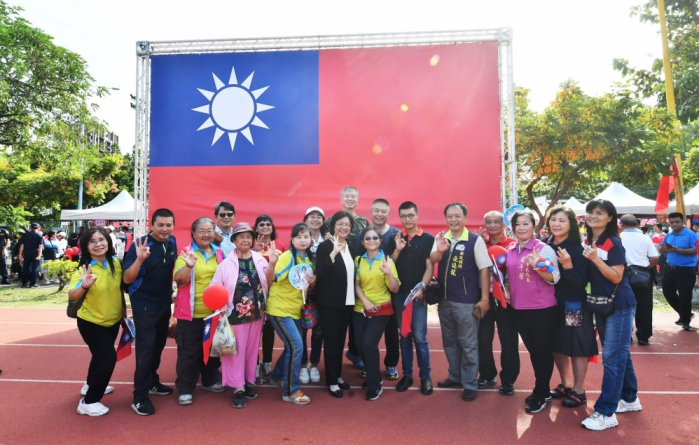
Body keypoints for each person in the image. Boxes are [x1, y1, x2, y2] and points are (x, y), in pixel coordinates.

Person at [580, 199, 640, 431]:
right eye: (590, 212)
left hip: (619, 305)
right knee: (619, 355)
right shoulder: (590, 241)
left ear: (610, 218)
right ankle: (630, 398)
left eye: (599, 213)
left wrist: (595, 258)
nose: (593, 216)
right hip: (603, 305)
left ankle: (606, 413)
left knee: (613, 358)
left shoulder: (613, 242)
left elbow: (616, 276)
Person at [430, 203, 490, 402]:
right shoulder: (441, 238)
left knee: (468, 343)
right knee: (450, 342)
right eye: (450, 216)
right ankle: (455, 376)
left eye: (457, 216)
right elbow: (433, 259)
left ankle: (470, 383)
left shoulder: (475, 240)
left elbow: (484, 269)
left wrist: (484, 299)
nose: (453, 219)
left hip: (466, 302)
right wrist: (440, 250)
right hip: (444, 300)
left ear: (465, 218)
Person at [210, 222, 273, 408]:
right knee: (235, 352)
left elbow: (269, 281)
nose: (245, 240)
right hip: (235, 315)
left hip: (257, 313)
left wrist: (272, 264)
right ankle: (238, 388)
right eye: (241, 237)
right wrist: (220, 306)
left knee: (251, 351)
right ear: (234, 240)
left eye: (248, 237)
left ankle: (246, 381)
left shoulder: (260, 259)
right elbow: (215, 287)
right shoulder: (225, 264)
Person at [123, 208, 178, 416]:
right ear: (151, 225)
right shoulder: (141, 244)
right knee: (145, 351)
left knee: (158, 347)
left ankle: (153, 382)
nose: (165, 229)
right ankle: (139, 397)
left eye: (168, 225)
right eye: (160, 225)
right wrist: (139, 260)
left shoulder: (172, 242)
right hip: (144, 306)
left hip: (164, 304)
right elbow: (127, 279)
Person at [505, 210, 560, 414]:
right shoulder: (511, 250)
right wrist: (506, 287)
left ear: (533, 226)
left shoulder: (543, 249)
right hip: (518, 309)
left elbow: (554, 277)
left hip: (541, 309)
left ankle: (541, 392)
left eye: (525, 223)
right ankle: (542, 390)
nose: (521, 227)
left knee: (542, 352)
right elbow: (510, 275)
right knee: (534, 352)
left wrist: (538, 266)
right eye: (517, 224)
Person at [172, 217, 227, 406]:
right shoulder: (186, 253)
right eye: (201, 231)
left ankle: (210, 380)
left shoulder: (220, 253)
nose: (206, 234)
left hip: (214, 314)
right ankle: (185, 388)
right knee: (189, 353)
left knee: (213, 351)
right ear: (193, 234)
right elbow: (180, 280)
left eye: (209, 230)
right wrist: (189, 266)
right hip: (191, 314)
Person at [69, 228, 123, 417]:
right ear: (86, 247)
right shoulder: (85, 269)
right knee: (107, 358)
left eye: (101, 239)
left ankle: (89, 384)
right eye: (92, 241)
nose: (98, 244)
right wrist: (84, 285)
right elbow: (72, 296)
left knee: (100, 356)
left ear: (108, 242)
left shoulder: (116, 263)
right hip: (91, 322)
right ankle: (89, 401)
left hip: (112, 321)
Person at [546, 206, 597, 408]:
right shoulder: (544, 245)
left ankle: (579, 390)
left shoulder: (577, 249)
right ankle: (566, 383)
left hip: (573, 305)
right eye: (553, 219)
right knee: (556, 345)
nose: (556, 224)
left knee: (577, 347)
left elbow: (580, 283)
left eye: (562, 220)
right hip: (550, 305)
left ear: (571, 224)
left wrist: (567, 265)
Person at [388, 201, 435, 395]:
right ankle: (407, 375)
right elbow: (389, 264)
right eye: (403, 216)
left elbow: (430, 267)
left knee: (420, 338)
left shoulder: (428, 239)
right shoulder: (395, 238)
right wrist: (398, 249)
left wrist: (422, 287)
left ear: (417, 215)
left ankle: (425, 377)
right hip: (399, 296)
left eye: (410, 215)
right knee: (405, 336)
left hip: (418, 296)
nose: (407, 219)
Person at [266, 222, 316, 405]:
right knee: (296, 346)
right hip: (279, 309)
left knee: (293, 346)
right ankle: (291, 391)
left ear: (311, 239)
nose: (302, 240)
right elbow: (271, 278)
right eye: (298, 237)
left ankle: (277, 375)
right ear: (292, 240)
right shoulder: (287, 257)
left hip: (295, 310)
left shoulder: (309, 259)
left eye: (306, 236)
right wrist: (272, 263)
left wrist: (313, 281)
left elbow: (306, 286)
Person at [355, 199, 401, 381]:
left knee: (391, 334)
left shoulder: (396, 233)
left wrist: (389, 271)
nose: (379, 214)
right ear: (371, 212)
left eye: (383, 211)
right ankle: (369, 365)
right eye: (376, 210)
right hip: (365, 295)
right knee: (364, 340)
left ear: (389, 213)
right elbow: (359, 268)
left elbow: (393, 263)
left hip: (388, 293)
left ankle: (390, 364)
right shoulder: (362, 236)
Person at [474, 211, 519, 396]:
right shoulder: (479, 243)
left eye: (496, 222)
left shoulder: (513, 244)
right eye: (488, 222)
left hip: (506, 299)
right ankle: (487, 374)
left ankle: (508, 380)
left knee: (508, 339)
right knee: (483, 338)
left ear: (503, 225)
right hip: (484, 297)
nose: (492, 225)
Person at [315, 211, 356, 398]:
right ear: (333, 226)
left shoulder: (351, 247)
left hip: (348, 302)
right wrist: (333, 253)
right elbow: (321, 272)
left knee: (340, 342)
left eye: (347, 224)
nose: (344, 227)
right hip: (330, 304)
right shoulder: (325, 246)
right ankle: (331, 381)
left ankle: (337, 375)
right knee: (331, 342)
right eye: (340, 223)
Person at [252, 214, 285, 384]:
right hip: (253, 295)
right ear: (256, 228)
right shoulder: (250, 246)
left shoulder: (280, 246)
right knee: (253, 333)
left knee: (269, 331)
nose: (265, 226)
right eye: (261, 224)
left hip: (273, 295)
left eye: (268, 224)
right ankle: (254, 365)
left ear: (272, 228)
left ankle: (267, 364)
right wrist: (255, 251)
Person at [620, 214, 659, 344]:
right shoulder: (645, 238)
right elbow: (654, 257)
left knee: (624, 305)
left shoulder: (618, 238)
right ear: (637, 224)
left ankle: (626, 335)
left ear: (621, 224)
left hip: (622, 273)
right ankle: (643, 336)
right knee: (644, 305)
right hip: (642, 273)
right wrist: (648, 267)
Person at [659, 212, 699, 331]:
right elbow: (661, 250)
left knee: (685, 296)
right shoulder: (668, 235)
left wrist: (678, 250)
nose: (674, 224)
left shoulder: (691, 235)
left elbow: (696, 250)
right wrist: (663, 248)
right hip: (670, 269)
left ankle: (685, 321)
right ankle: (685, 314)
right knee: (667, 292)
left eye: (677, 222)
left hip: (686, 270)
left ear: (683, 222)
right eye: (672, 222)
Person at [299, 208, 325, 384]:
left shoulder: (328, 240)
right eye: (311, 217)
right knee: (301, 330)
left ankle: (314, 364)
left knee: (318, 330)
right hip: (301, 294)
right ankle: (302, 365)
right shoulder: (301, 239)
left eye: (318, 217)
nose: (315, 220)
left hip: (321, 294)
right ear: (306, 219)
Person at [18, 223, 43, 288]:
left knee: (25, 268)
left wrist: (20, 254)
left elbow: (22, 245)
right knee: (35, 268)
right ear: (38, 228)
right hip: (35, 252)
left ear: (31, 227)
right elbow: (40, 246)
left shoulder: (25, 235)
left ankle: (24, 283)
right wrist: (39, 255)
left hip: (27, 252)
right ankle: (32, 283)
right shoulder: (39, 235)